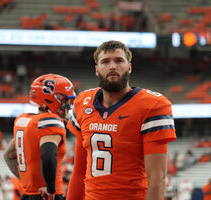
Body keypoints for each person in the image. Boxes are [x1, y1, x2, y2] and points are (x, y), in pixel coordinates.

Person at [66, 40, 177, 200]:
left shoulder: (152, 105)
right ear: (97, 70)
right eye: (105, 61)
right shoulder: (83, 103)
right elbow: (78, 173)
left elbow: (157, 179)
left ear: (129, 67)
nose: (112, 66)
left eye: (119, 60)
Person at [4, 74, 76, 200]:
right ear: (50, 99)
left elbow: (8, 155)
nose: (68, 105)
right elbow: (48, 156)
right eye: (64, 100)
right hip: (47, 195)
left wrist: (28, 182)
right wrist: (50, 188)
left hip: (28, 195)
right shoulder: (50, 120)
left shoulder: (23, 120)